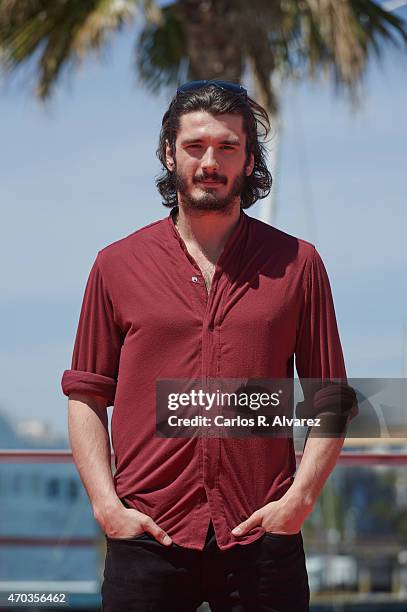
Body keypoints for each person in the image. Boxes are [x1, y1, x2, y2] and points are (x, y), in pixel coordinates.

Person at [61, 80, 357, 611]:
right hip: (145, 535)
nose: (209, 162)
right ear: (170, 152)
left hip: (263, 535)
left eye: (227, 147)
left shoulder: (298, 265)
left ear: (248, 160)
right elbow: (86, 395)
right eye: (195, 146)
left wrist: (299, 502)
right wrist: (107, 508)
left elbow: (329, 399)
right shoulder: (116, 265)